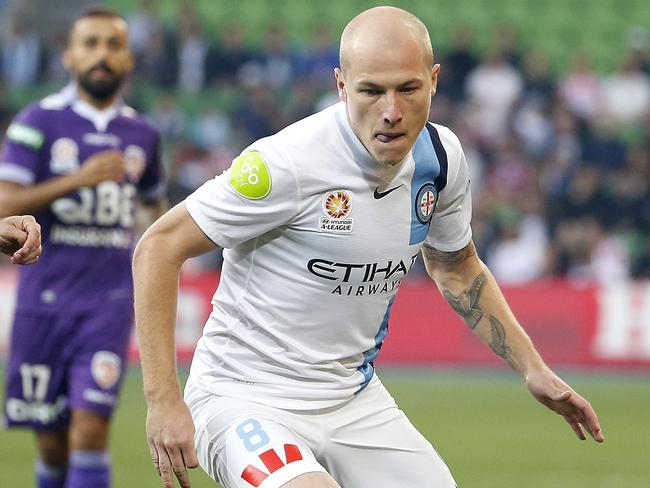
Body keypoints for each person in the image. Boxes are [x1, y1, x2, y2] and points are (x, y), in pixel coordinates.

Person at [133, 6, 604, 488]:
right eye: (371, 91)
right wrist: (163, 399)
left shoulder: (440, 160)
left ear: (435, 80)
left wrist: (533, 369)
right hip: (243, 397)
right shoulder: (286, 164)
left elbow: (457, 268)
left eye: (408, 88)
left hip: (352, 400)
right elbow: (158, 247)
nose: (392, 112)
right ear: (341, 86)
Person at [0, 7, 166, 488]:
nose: (101, 54)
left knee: (90, 429)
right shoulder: (38, 121)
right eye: (90, 44)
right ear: (70, 56)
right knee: (50, 439)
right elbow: (6, 202)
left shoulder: (144, 134)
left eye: (112, 45)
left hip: (108, 303)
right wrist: (80, 179)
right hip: (43, 303)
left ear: (128, 60)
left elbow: (155, 214)